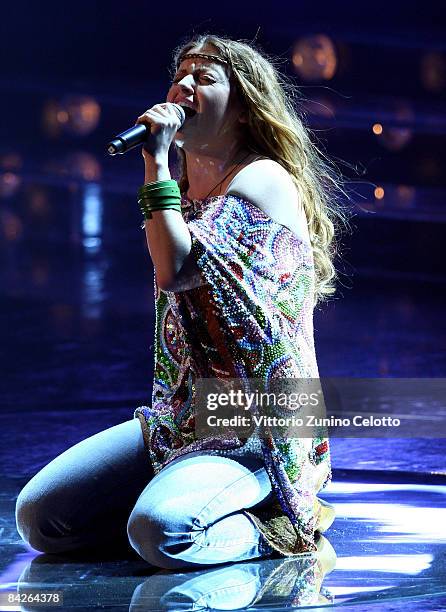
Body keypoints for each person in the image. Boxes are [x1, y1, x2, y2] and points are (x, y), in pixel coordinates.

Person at [16, 34, 347, 569]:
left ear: (242, 111)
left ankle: (278, 525)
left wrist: (157, 164)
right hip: (185, 419)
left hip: (260, 424)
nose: (185, 85)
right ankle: (182, 500)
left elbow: (176, 271)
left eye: (206, 77)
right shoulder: (188, 191)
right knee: (42, 518)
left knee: (163, 533)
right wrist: (166, 170)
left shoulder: (263, 180)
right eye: (181, 76)